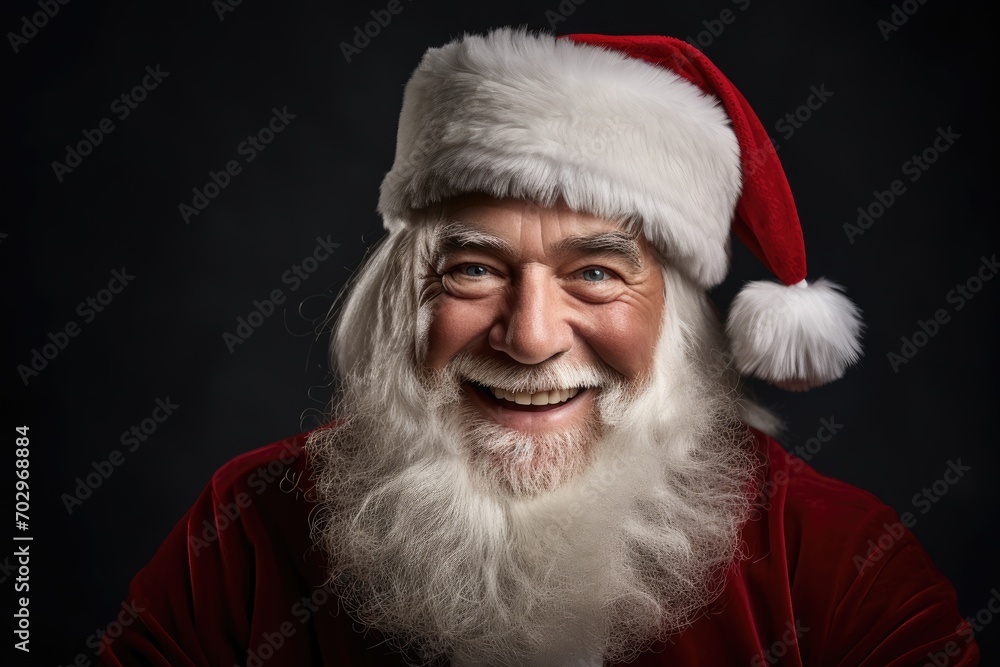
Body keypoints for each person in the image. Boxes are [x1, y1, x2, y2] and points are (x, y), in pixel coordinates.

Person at [100, 28, 979, 666]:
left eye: (595, 273)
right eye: (474, 269)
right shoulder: (249, 528)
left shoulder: (835, 559)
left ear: (675, 315)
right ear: (402, 295)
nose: (528, 337)